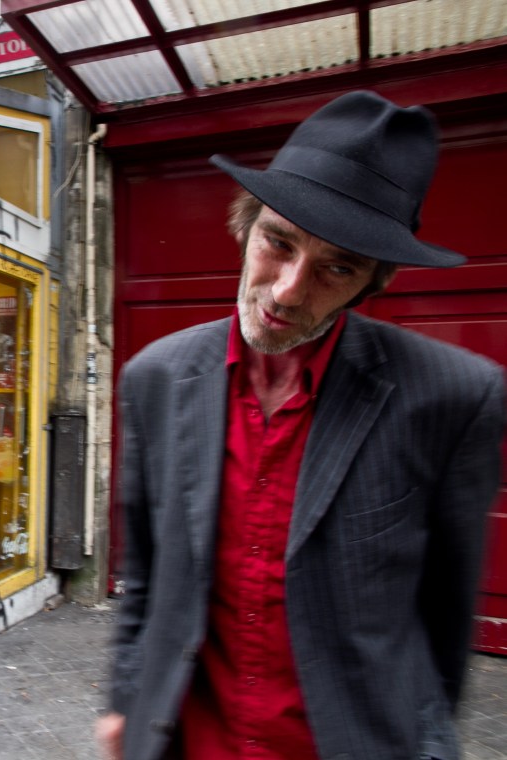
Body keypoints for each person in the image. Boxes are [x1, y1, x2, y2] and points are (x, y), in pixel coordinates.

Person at [97, 91, 505, 760]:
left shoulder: (452, 396)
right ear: (245, 224)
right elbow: (147, 573)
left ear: (369, 283)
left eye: (335, 267)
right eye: (278, 242)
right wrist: (124, 702)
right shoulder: (154, 379)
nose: (288, 288)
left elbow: (444, 614)